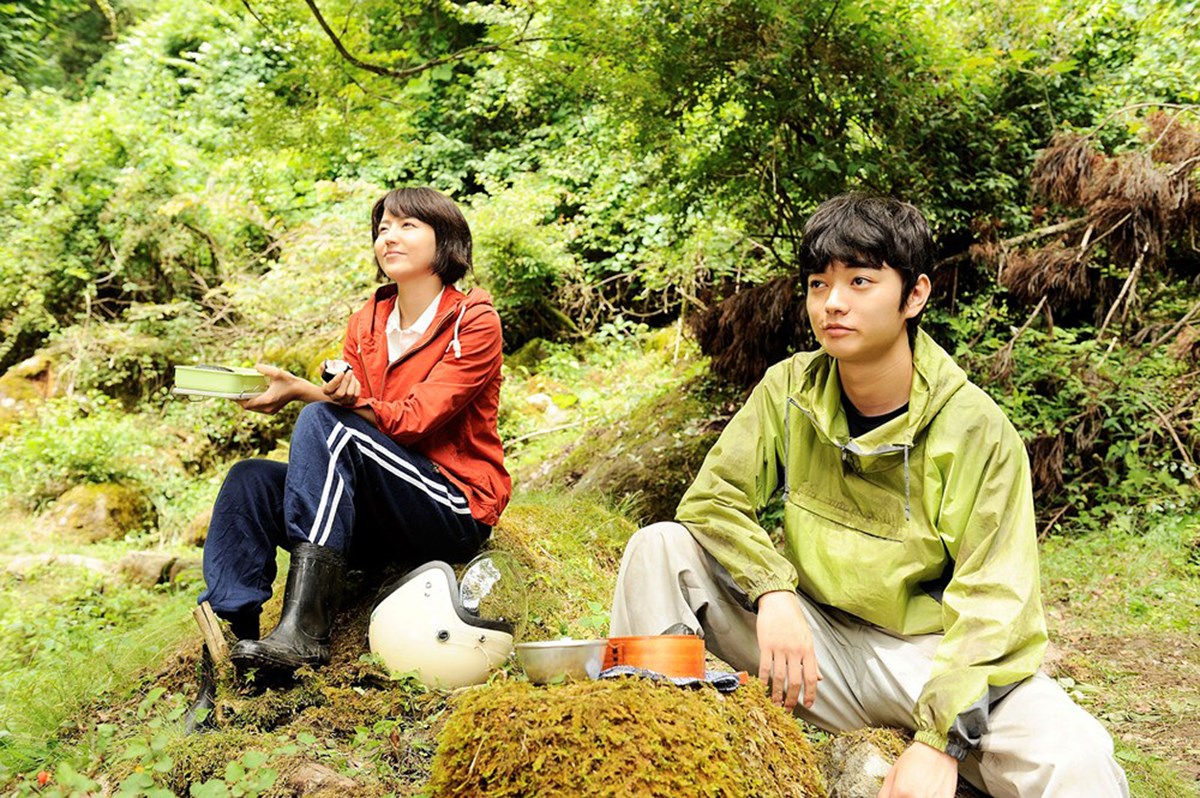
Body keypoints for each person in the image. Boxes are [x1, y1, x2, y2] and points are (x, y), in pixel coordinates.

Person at [610, 194, 1128, 797]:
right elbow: (711, 501)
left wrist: (939, 742)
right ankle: (649, 754)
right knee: (659, 548)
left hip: (931, 660)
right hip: (810, 651)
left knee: (1077, 760)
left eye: (860, 281)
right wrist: (772, 589)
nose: (833, 302)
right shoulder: (789, 390)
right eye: (818, 284)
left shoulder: (976, 431)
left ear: (915, 295)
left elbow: (995, 605)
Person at [193, 186, 510, 690]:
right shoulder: (368, 322)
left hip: (451, 505)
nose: (390, 237)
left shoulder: (473, 321)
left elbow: (416, 420)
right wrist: (307, 389)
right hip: (377, 510)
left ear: (445, 239)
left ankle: (306, 630)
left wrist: (311, 397)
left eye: (407, 226)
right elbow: (355, 414)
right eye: (383, 228)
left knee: (323, 422)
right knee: (249, 479)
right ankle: (232, 642)